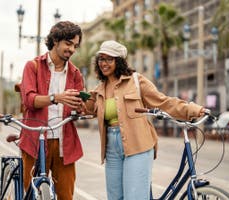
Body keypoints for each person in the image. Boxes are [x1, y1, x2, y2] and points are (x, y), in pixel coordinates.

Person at [82, 40, 208, 200]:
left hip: (138, 145)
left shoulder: (136, 81)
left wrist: (192, 109)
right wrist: (77, 99)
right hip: (111, 149)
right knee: (115, 197)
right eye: (101, 59)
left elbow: (163, 101)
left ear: (118, 61)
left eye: (109, 59)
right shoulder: (99, 90)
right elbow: (88, 109)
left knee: (135, 197)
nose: (103, 63)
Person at [19, 21, 84, 200]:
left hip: (65, 143)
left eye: (75, 46)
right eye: (68, 43)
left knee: (66, 195)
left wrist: (80, 108)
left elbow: (77, 109)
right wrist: (56, 97)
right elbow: (29, 100)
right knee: (31, 193)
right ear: (55, 40)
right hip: (36, 139)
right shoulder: (33, 66)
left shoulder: (75, 73)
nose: (72, 49)